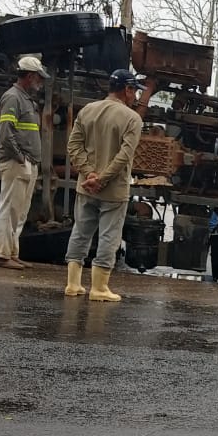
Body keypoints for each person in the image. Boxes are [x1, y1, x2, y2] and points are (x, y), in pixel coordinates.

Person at [64, 68, 146, 302]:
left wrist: (89, 173)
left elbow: (73, 146)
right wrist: (102, 179)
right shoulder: (132, 118)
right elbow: (124, 156)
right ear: (127, 89)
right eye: (134, 91)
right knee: (109, 236)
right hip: (113, 190)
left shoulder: (87, 110)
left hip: (85, 186)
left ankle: (73, 284)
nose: (135, 96)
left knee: (80, 232)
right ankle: (99, 288)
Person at [0, 55, 51, 270]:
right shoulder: (13, 97)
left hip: (27, 162)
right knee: (9, 209)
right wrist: (20, 157)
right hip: (18, 163)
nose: (40, 82)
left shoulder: (24, 99)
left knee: (20, 212)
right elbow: (6, 134)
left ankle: (11, 253)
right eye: (39, 77)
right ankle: (0, 254)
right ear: (30, 76)